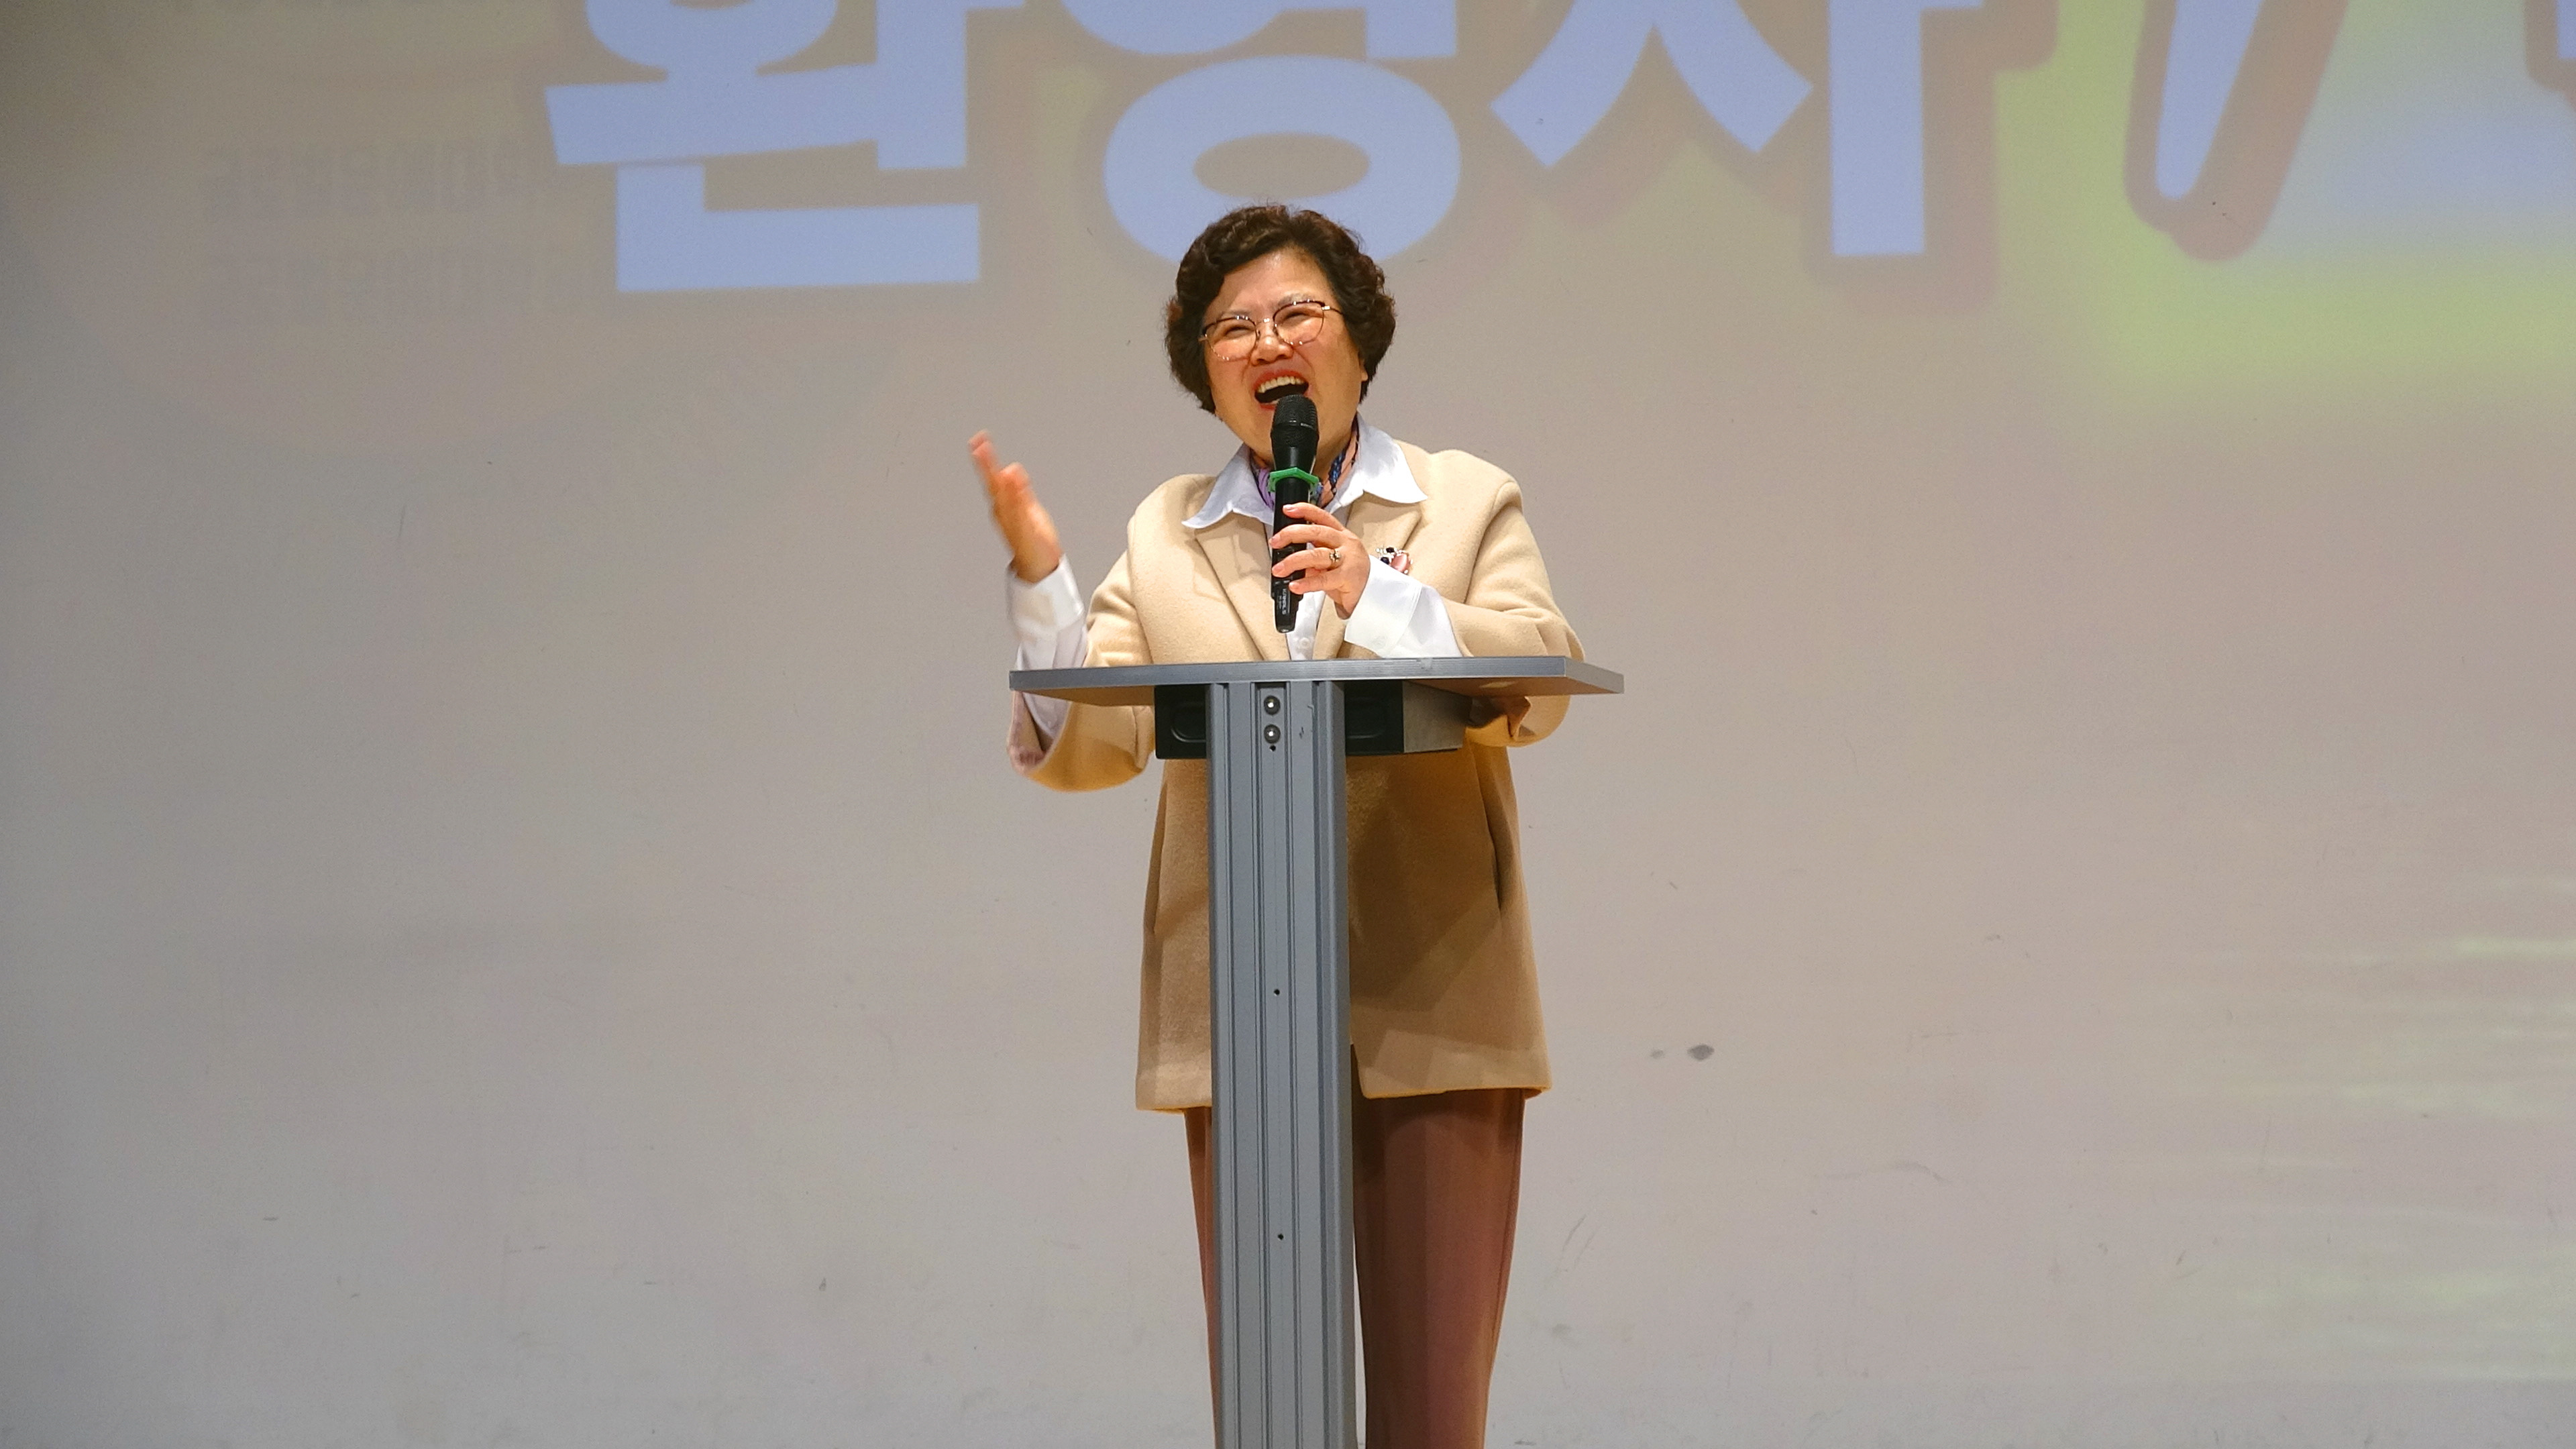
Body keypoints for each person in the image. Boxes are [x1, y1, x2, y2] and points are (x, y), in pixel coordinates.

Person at [969, 205, 1579, 1449]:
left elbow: (1538, 669)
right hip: (1240, 1006)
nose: (1267, 342)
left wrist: (1377, 592)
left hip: (1434, 998)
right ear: (1206, 375)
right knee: (1267, 1396)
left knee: (1430, 1407)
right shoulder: (1167, 530)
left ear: (1360, 344)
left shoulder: (1462, 501)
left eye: (1297, 312)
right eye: (1231, 328)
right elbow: (1097, 740)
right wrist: (1040, 582)